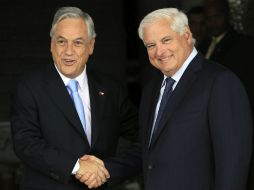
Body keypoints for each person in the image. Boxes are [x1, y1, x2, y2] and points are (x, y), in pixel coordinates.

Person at [11, 6, 140, 190]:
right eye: (61, 41)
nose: (68, 51)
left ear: (91, 46)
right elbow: (26, 144)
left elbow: (145, 136)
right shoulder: (30, 86)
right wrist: (77, 167)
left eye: (78, 42)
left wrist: (109, 170)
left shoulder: (110, 89)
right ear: (51, 44)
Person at [137, 7, 253, 190]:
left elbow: (234, 162)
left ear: (186, 36)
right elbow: (148, 151)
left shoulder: (220, 82)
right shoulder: (152, 87)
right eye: (151, 45)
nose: (159, 52)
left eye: (166, 40)